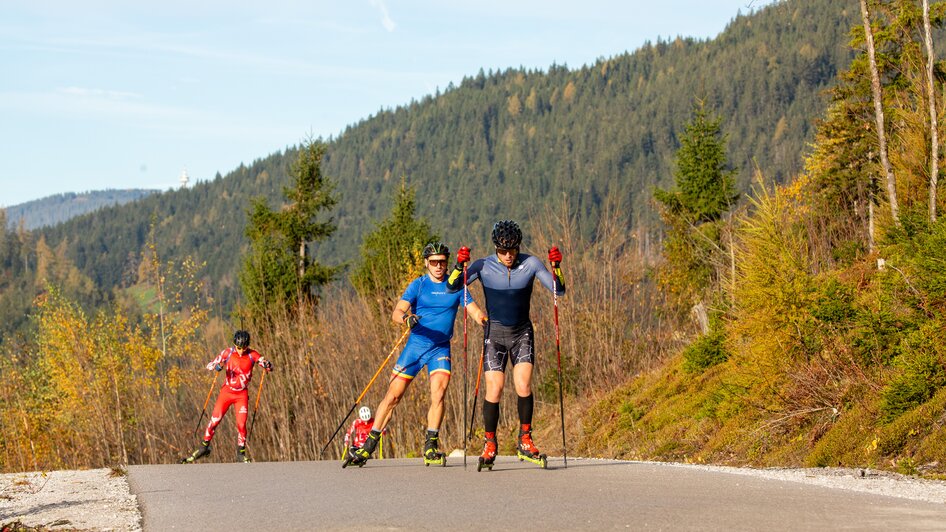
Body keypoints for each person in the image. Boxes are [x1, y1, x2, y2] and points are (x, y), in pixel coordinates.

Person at [344, 242, 487, 468]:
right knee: (393, 396)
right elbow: (396, 312)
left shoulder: (457, 286)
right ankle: (367, 447)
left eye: (442, 262)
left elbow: (474, 311)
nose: (439, 266)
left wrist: (484, 322)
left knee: (439, 394)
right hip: (416, 348)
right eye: (434, 262)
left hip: (440, 348)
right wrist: (406, 318)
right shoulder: (419, 285)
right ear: (426, 264)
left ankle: (430, 445)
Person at [447, 220, 565, 470]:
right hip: (495, 334)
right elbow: (452, 289)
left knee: (523, 384)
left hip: (522, 333)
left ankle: (525, 440)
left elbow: (558, 290)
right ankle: (490, 443)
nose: (508, 256)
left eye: (512, 251)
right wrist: (459, 266)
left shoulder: (530, 263)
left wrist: (557, 267)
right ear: (496, 248)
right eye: (503, 251)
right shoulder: (483, 265)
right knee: (495, 389)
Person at [182, 330, 273, 464]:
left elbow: (265, 364)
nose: (241, 351)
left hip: (241, 394)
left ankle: (241, 453)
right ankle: (204, 447)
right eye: (238, 347)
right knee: (214, 421)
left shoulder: (252, 354)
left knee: (241, 424)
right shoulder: (228, 352)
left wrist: (267, 365)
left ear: (248, 345)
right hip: (226, 392)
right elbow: (209, 365)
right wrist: (217, 366)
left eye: (244, 347)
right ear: (234, 345)